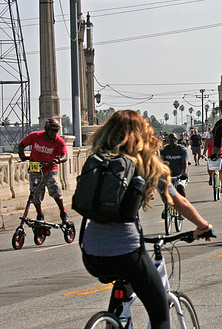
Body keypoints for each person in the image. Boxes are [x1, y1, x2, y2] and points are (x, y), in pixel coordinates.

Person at [80, 110, 212, 329]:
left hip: (91, 252)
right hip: (126, 250)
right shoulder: (145, 162)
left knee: (122, 289)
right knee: (159, 310)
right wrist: (203, 226)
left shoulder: (98, 161)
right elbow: (179, 202)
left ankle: (113, 321)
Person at [17, 118, 69, 223]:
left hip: (49, 169)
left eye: (56, 131)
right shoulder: (35, 136)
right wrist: (22, 155)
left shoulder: (59, 141)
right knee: (35, 194)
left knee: (54, 189)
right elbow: (21, 145)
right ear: (46, 129)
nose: (53, 133)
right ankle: (39, 213)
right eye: (51, 130)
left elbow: (65, 155)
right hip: (35, 169)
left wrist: (57, 160)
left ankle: (62, 212)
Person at [160, 132, 190, 197]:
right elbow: (160, 162)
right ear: (168, 140)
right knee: (163, 190)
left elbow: (186, 162)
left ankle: (182, 205)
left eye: (175, 139)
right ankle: (166, 204)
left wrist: (184, 173)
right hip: (168, 175)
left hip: (180, 175)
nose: (174, 141)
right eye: (171, 140)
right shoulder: (164, 150)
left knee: (180, 187)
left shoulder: (182, 149)